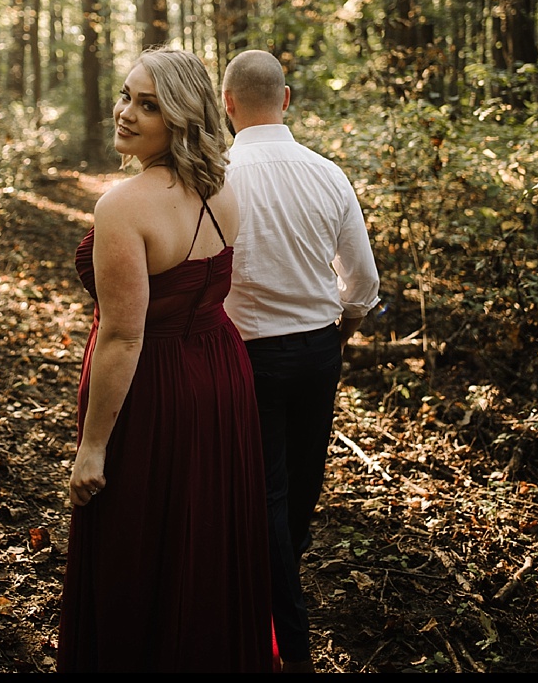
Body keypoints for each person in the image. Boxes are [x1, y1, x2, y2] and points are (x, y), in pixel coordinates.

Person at [57, 47, 273, 672]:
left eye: (149, 105)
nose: (126, 113)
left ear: (181, 119)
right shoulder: (220, 187)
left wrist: (92, 446)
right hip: (222, 374)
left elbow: (125, 338)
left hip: (158, 387)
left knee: (139, 540)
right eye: (127, 95)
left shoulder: (123, 205)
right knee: (203, 535)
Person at [220, 50, 381, 673]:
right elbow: (361, 279)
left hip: (247, 352)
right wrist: (348, 321)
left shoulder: (217, 174)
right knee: (301, 483)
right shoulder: (328, 173)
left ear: (228, 103)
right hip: (319, 349)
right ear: (285, 98)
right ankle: (292, 636)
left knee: (270, 491)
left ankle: (274, 589)